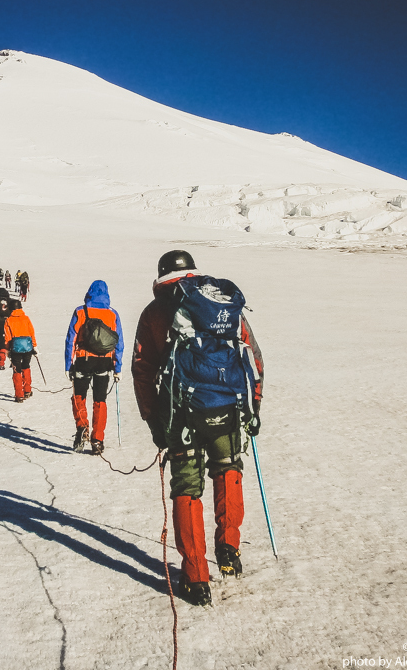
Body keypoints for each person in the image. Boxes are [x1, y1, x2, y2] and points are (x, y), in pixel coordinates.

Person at [131, 250, 264, 607]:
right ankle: (229, 550)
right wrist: (253, 406)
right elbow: (252, 355)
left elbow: (142, 369)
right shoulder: (220, 302)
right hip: (228, 407)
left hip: (181, 416)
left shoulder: (154, 311)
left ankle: (194, 578)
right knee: (228, 471)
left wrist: (154, 423)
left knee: (187, 489)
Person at [64, 280, 124, 455]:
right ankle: (97, 440)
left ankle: (82, 426)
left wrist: (69, 364)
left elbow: (71, 339)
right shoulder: (113, 314)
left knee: (79, 396)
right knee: (100, 400)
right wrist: (117, 367)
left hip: (84, 360)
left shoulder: (81, 311)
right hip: (104, 363)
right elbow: (119, 343)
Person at [3, 300, 37, 402]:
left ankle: (19, 395)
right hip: (27, 347)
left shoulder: (8, 320)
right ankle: (27, 390)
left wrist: (7, 350)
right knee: (26, 367)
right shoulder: (26, 318)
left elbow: (7, 337)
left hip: (15, 348)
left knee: (16, 370)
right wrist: (34, 346)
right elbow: (32, 333)